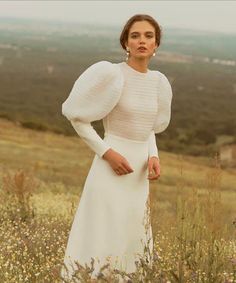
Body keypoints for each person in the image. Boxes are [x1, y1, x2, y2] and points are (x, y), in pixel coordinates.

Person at [60, 14, 173, 282]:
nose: (142, 41)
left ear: (156, 44)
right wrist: (107, 153)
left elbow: (149, 129)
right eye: (135, 36)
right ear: (126, 42)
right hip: (110, 164)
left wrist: (153, 155)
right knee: (103, 229)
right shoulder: (112, 75)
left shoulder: (158, 82)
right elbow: (78, 119)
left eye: (148, 36)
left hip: (139, 173)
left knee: (131, 232)